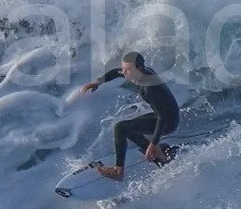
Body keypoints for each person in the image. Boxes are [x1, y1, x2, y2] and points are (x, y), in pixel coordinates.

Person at [75, 53, 180, 182]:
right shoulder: (136, 73)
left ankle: (118, 171)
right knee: (128, 127)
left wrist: (153, 143)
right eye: (123, 69)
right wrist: (97, 82)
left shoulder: (150, 88)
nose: (124, 73)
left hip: (168, 121)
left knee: (120, 128)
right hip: (164, 113)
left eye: (127, 70)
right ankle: (160, 156)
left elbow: (162, 117)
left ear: (140, 68)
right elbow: (116, 72)